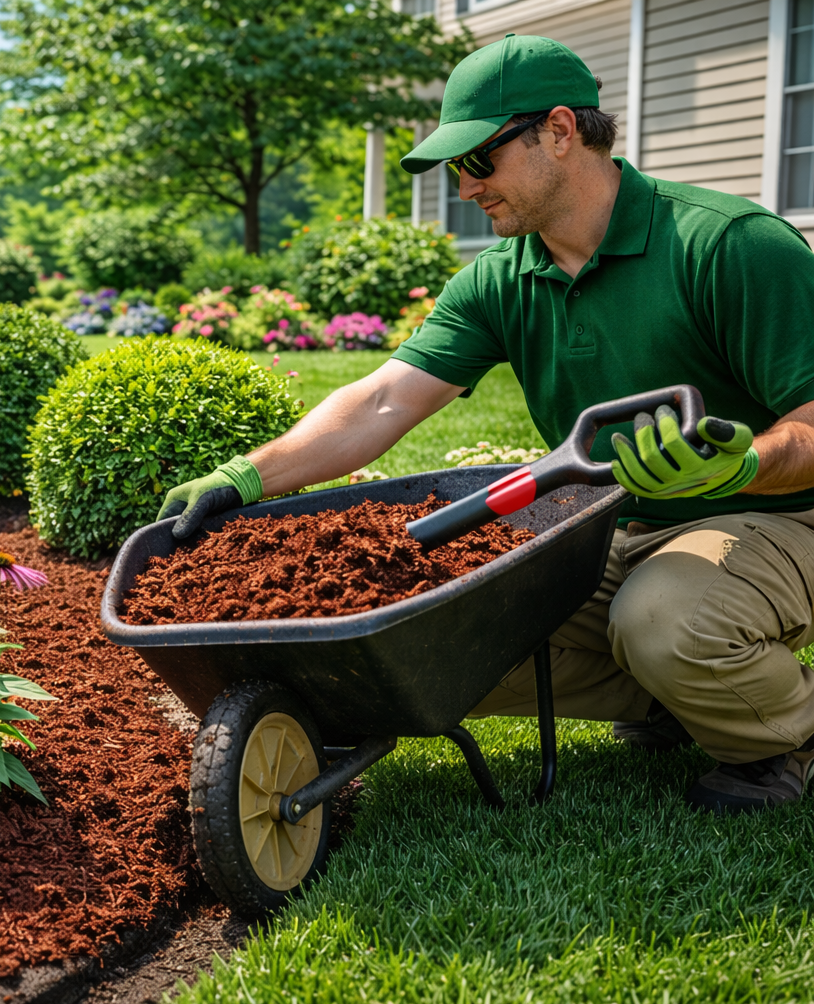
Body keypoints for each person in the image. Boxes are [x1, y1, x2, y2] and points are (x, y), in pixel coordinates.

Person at [156, 35, 814, 815]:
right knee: (442, 636)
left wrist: (742, 465)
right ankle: (676, 696)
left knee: (662, 619)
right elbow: (383, 400)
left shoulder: (726, 245)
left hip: (779, 515)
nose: (466, 187)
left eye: (479, 161)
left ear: (559, 131)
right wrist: (245, 476)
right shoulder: (500, 280)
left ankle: (786, 737)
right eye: (455, 168)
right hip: (616, 526)